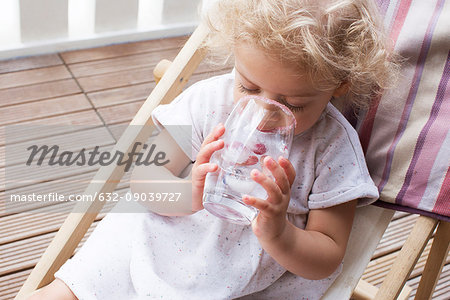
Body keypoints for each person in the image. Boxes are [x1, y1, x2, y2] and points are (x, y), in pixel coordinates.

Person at [28, 0, 398, 299]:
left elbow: (327, 255)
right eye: (249, 88)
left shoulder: (332, 148)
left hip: (248, 280)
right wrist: (189, 193)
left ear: (339, 84)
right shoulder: (208, 102)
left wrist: (278, 232)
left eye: (294, 104)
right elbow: (144, 181)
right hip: (159, 239)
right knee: (85, 278)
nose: (264, 112)